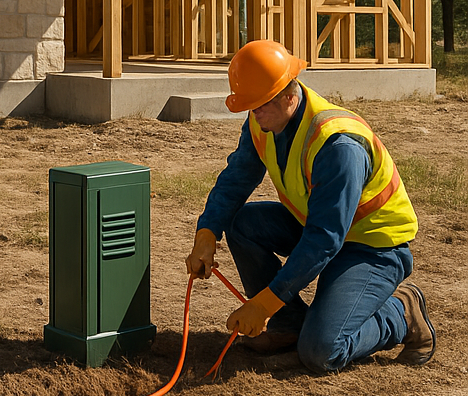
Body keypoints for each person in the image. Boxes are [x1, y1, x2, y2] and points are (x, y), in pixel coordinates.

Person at [185, 39, 435, 373]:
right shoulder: (264, 120)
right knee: (243, 224)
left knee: (321, 351)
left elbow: (324, 240)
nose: (254, 114)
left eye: (261, 105)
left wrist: (264, 304)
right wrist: (206, 233)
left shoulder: (338, 145)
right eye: (250, 106)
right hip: (317, 227)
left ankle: (401, 313)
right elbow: (237, 178)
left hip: (371, 247)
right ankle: (288, 325)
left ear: (290, 94)